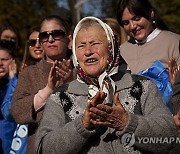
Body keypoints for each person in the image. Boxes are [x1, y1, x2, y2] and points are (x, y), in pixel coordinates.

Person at [35, 16, 177, 154]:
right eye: (81, 46)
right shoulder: (61, 96)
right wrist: (82, 125)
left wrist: (127, 122)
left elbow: (169, 137)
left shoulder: (142, 86)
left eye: (95, 43)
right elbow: (44, 148)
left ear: (111, 46)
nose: (88, 51)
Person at [11, 15, 75, 154]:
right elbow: (17, 112)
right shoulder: (29, 73)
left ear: (68, 39)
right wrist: (48, 90)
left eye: (56, 34)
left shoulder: (81, 72)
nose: (50, 39)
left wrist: (71, 82)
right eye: (44, 36)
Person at [116, 0, 180, 74]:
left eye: (137, 18)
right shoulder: (121, 51)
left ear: (151, 13)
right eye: (126, 23)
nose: (132, 26)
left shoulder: (174, 42)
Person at [0, 40, 18, 154]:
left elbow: (10, 111)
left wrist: (13, 80)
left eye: (4, 60)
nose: (0, 63)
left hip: (12, 145)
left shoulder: (18, 83)